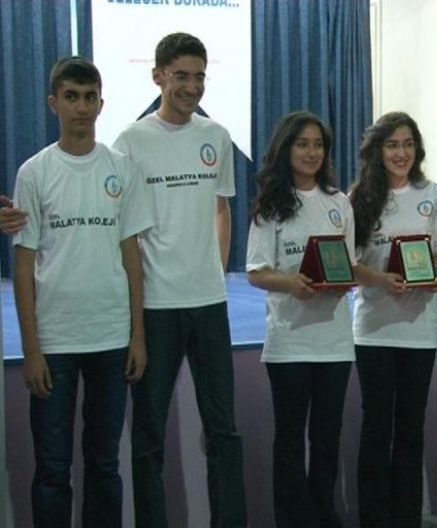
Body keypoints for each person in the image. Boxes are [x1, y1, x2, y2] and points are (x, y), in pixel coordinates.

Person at [112, 33, 247, 528]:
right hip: (155, 306)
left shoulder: (217, 136)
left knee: (224, 432)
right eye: (181, 76)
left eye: (199, 77)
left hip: (209, 305)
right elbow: (124, 229)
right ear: (158, 77)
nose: (192, 87)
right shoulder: (130, 141)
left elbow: (221, 209)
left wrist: (216, 273)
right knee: (149, 436)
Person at [12, 56, 151, 528]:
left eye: (90, 97)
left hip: (111, 339)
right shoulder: (34, 173)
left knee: (105, 464)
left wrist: (137, 336)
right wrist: (32, 349)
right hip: (55, 343)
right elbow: (24, 265)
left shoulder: (121, 169)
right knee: (53, 469)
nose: (82, 107)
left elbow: (132, 257)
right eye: (71, 97)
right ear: (54, 104)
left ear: (101, 104)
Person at [246, 111, 355, 528]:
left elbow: (347, 265)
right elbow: (257, 272)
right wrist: (291, 283)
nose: (312, 152)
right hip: (289, 341)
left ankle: (324, 515)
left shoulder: (339, 202)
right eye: (302, 144)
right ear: (286, 149)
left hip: (335, 342)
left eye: (318, 145)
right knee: (290, 440)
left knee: (327, 438)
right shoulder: (271, 207)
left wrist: (340, 284)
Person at [349, 112, 437, 528]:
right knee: (376, 428)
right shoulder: (358, 198)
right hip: (373, 331)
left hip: (419, 333)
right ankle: (374, 519)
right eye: (392, 145)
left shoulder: (431, 194)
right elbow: (347, 263)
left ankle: (406, 517)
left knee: (411, 428)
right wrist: (381, 279)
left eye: (408, 144)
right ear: (377, 150)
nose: (401, 153)